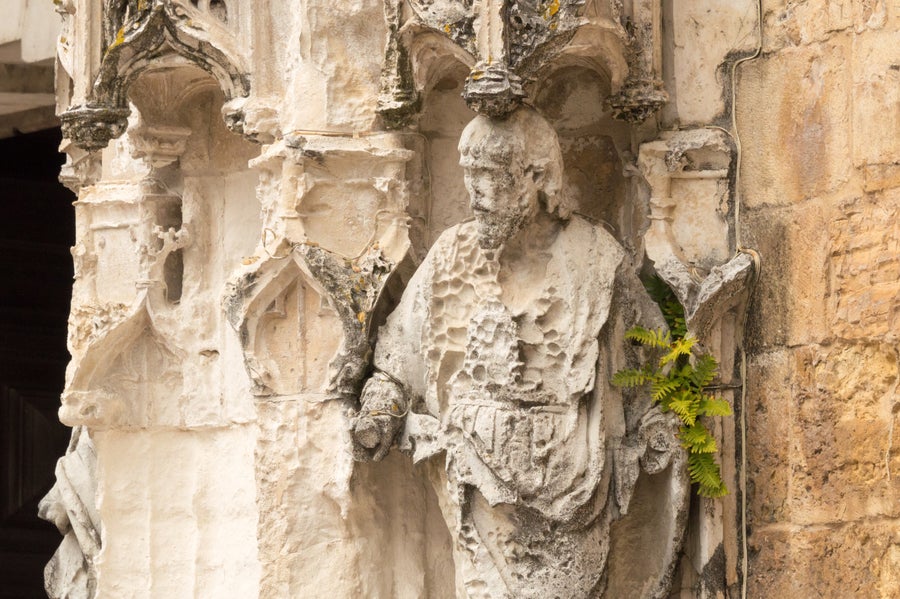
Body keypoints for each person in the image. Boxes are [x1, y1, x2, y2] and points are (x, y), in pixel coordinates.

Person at [351, 107, 675, 598]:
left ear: (537, 177)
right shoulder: (450, 256)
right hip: (477, 491)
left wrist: (656, 425)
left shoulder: (595, 259)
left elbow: (653, 359)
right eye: (469, 174)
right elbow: (397, 362)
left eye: (489, 176)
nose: (474, 194)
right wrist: (380, 410)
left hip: (575, 487)